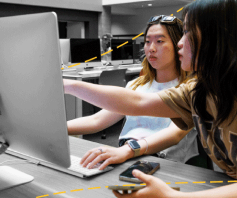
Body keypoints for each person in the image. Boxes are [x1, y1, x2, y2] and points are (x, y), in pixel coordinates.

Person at [63, 0, 237, 197]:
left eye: (187, 32)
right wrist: (68, 84)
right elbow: (138, 102)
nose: (179, 43)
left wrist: (173, 196)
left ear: (214, 38)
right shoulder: (203, 88)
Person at [66, 15, 199, 164]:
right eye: (147, 42)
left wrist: (128, 150)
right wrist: (56, 129)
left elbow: (174, 135)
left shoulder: (191, 88)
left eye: (159, 41)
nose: (151, 48)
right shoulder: (136, 85)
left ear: (178, 45)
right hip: (130, 155)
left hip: (168, 162)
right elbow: (97, 120)